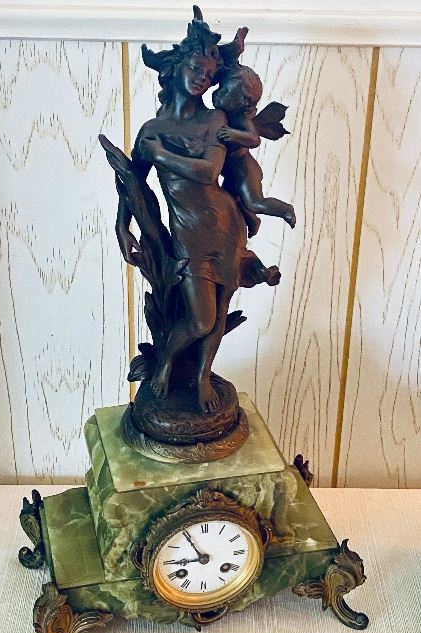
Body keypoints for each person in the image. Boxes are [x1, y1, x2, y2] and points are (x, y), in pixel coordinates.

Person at [111, 17, 277, 414]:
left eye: (210, 74)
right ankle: (166, 362)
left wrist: (162, 155)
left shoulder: (214, 121)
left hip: (226, 227)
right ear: (175, 68)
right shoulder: (151, 129)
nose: (203, 78)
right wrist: (122, 225)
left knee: (218, 313)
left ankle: (202, 376)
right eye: (196, 68)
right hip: (188, 236)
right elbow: (132, 180)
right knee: (201, 319)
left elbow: (208, 171)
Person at [213, 63, 296, 237]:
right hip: (230, 174)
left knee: (254, 202)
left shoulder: (239, 118)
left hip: (245, 170)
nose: (219, 95)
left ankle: (285, 209)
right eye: (221, 89)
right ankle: (252, 221)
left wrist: (234, 134)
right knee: (231, 202)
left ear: (241, 103)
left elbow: (254, 139)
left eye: (226, 94)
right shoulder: (218, 116)